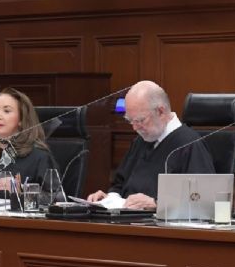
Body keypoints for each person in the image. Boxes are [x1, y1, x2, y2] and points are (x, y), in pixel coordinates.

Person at [86, 81, 214, 210]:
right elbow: (120, 183)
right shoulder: (141, 140)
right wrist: (110, 198)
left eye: (140, 120)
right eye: (130, 121)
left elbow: (202, 199)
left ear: (160, 112)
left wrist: (156, 204)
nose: (135, 128)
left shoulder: (189, 144)